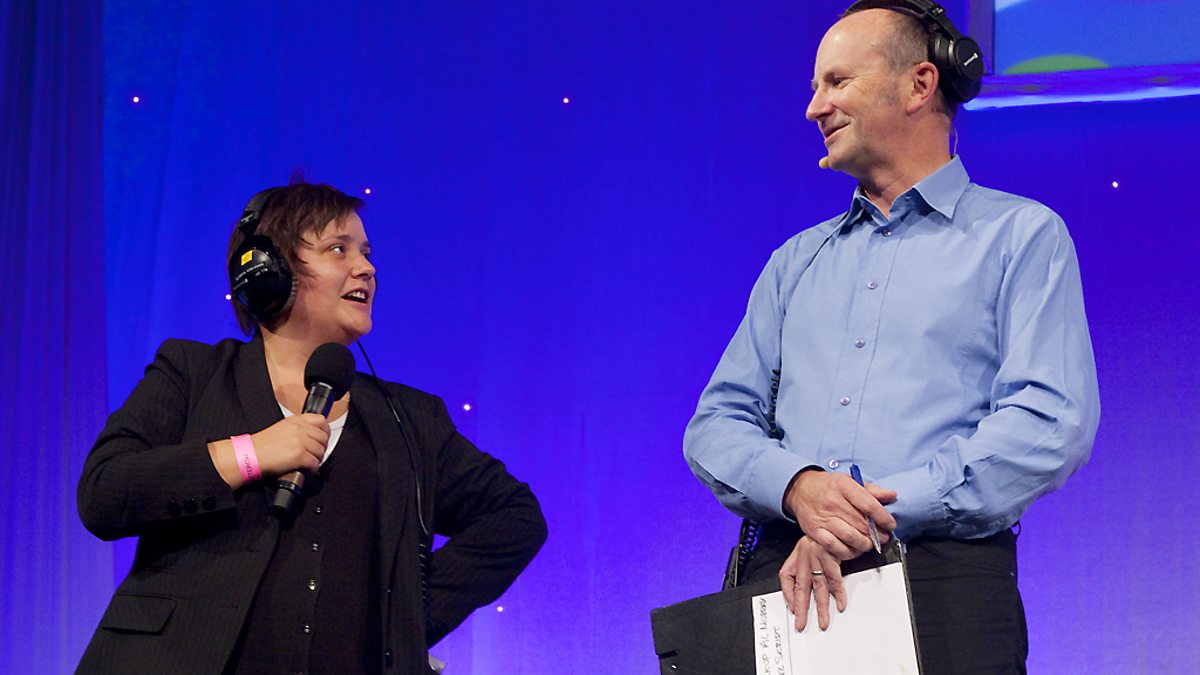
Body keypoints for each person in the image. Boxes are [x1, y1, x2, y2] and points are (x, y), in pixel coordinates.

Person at [683, 2, 1099, 672]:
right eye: (815, 87)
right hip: (789, 584)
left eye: (837, 81)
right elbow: (715, 425)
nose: (814, 108)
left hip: (941, 588)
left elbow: (1049, 422)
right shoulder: (796, 261)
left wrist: (870, 514)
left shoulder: (1020, 237)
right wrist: (799, 487)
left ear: (920, 85)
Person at [77, 181, 547, 673]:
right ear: (269, 270)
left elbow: (515, 517)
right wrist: (251, 453)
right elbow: (104, 493)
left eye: (366, 253)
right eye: (338, 249)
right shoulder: (193, 373)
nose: (365, 268)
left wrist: (403, 623)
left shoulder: (410, 418)